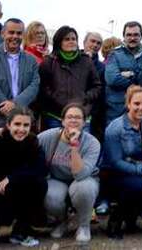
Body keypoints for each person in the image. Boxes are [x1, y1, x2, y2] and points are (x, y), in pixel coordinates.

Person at [0, 107, 47, 247]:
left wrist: (11, 178)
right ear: (8, 125)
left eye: (26, 125)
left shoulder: (32, 142)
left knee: (39, 183)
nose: (21, 129)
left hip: (17, 186)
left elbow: (40, 168)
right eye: (17, 124)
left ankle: (21, 230)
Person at [102, 86, 142, 239]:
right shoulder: (115, 128)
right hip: (112, 174)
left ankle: (131, 217)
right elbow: (115, 162)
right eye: (137, 104)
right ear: (128, 104)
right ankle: (115, 220)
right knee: (140, 186)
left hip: (138, 171)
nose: (141, 108)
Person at [38, 103, 101, 244]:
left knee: (84, 189)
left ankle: (84, 225)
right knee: (50, 194)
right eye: (70, 117)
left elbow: (80, 174)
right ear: (63, 121)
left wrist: (74, 146)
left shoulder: (92, 143)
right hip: (57, 179)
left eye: (78, 117)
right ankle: (61, 221)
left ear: (84, 122)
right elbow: (28, 144)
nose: (73, 120)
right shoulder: (47, 137)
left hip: (83, 179)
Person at [38, 26, 102, 131]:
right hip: (55, 116)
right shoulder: (48, 62)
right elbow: (43, 87)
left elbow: (97, 86)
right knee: (57, 147)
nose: (71, 42)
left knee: (81, 147)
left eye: (74, 39)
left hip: (81, 116)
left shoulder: (86, 61)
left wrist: (84, 98)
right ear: (59, 42)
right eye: (67, 39)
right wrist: (57, 98)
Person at [0, 18, 40, 128]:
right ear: (3, 34)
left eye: (19, 33)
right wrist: (6, 106)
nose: (15, 36)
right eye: (11, 32)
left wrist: (15, 105)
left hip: (21, 117)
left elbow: (34, 86)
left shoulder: (31, 60)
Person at [104, 21, 142, 125]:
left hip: (139, 112)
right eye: (129, 35)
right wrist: (136, 78)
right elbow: (112, 79)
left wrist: (127, 74)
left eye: (136, 35)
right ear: (124, 37)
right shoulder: (114, 55)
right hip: (115, 111)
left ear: (141, 36)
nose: (132, 38)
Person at [82, 32, 107, 142]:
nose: (95, 45)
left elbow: (100, 91)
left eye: (98, 43)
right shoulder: (72, 60)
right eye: (92, 41)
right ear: (84, 42)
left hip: (91, 114)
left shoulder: (102, 67)